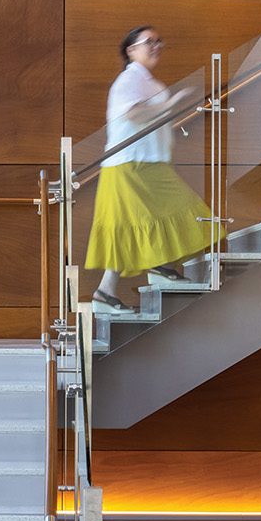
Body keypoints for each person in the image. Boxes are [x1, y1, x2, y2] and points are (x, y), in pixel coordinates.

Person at [85, 27, 212, 311]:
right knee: (131, 225)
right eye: (149, 42)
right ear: (131, 50)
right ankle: (118, 286)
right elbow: (134, 113)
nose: (156, 46)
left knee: (149, 219)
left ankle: (115, 287)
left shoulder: (152, 83)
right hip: (129, 164)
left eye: (159, 41)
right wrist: (172, 103)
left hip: (149, 164)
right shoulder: (128, 80)